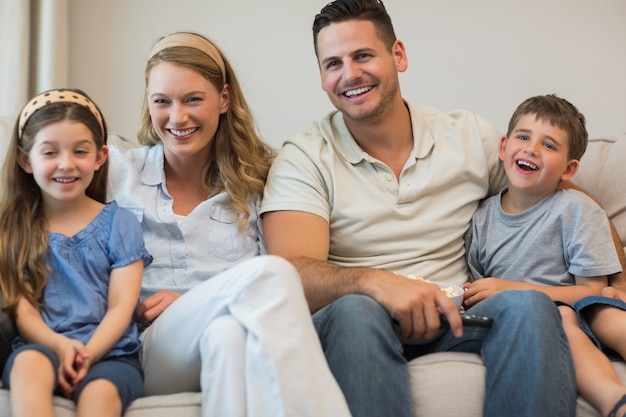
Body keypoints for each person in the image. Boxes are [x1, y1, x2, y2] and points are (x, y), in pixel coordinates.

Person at [260, 1, 580, 416]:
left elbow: (558, 193)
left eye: (362, 56)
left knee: (528, 306)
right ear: (321, 77)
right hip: (357, 323)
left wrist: (616, 281)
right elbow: (289, 273)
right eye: (332, 63)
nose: (349, 74)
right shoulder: (304, 157)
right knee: (358, 312)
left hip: (457, 315)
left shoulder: (468, 136)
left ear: (398, 56)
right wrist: (376, 284)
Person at [106, 31, 352, 417]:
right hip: (151, 349)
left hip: (227, 337)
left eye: (193, 99)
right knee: (273, 274)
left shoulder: (261, 183)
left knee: (226, 334)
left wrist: (194, 304)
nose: (177, 117)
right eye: (162, 102)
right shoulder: (117, 173)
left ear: (223, 99)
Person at [464, 94, 626, 417]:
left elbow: (593, 291)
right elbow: (480, 294)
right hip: (525, 324)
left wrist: (512, 288)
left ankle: (617, 403)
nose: (531, 149)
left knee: (601, 314)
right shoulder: (481, 219)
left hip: (583, 311)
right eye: (523, 137)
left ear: (569, 169)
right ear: (503, 147)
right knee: (561, 318)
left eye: (549, 145)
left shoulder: (577, 210)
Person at [0, 89, 151, 417]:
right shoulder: (15, 229)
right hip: (41, 347)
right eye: (50, 152)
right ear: (26, 160)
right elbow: (23, 311)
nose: (66, 164)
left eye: (80, 151)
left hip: (111, 354)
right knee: (27, 366)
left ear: (99, 157)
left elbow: (122, 307)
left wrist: (87, 354)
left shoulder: (120, 224)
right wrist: (59, 346)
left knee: (98, 397)